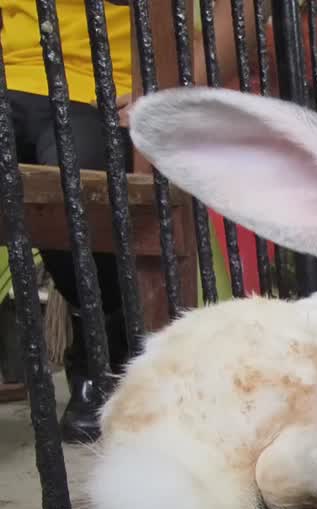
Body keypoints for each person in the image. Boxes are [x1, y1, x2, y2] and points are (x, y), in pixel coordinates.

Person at [1, 0, 255, 443]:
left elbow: (247, 11)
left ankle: (103, 341)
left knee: (78, 179)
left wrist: (172, 87)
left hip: (104, 90)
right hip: (12, 80)